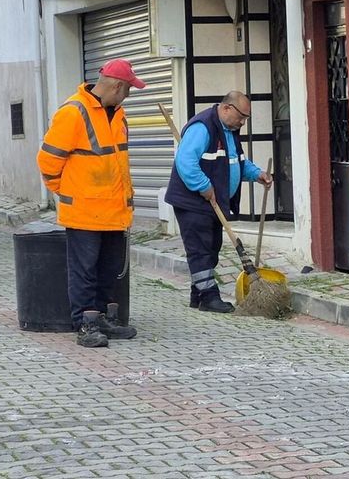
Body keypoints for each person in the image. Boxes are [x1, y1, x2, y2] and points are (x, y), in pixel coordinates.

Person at [37, 58, 144, 348]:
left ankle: (104, 319)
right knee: (84, 270)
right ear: (117, 86)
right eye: (129, 89)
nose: (129, 95)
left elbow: (118, 163)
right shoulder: (74, 112)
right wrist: (69, 192)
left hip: (113, 210)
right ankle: (85, 324)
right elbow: (47, 161)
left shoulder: (118, 114)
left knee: (108, 269)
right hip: (85, 210)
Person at [164, 91, 272, 313]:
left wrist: (256, 174)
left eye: (246, 118)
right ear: (226, 108)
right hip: (192, 202)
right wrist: (203, 186)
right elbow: (185, 162)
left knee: (211, 248)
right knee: (201, 251)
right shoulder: (202, 127)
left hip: (213, 202)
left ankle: (198, 296)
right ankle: (209, 297)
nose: (242, 122)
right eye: (241, 116)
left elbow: (236, 161)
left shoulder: (230, 130)